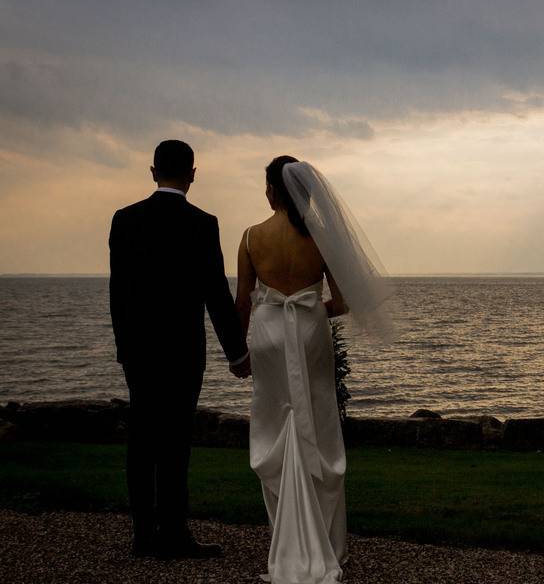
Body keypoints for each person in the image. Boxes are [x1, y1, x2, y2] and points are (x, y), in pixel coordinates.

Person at [235, 156, 392, 583]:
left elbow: (242, 304)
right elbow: (342, 301)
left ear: (273, 189)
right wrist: (309, 311)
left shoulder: (250, 237)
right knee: (318, 422)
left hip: (267, 337)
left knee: (273, 424)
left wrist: (241, 353)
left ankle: (283, 537)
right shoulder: (321, 239)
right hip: (309, 332)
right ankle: (327, 543)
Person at [109, 139, 251, 559]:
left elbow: (119, 293)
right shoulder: (203, 224)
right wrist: (237, 353)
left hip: (138, 351)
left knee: (141, 440)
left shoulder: (125, 220)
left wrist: (123, 347)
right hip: (184, 352)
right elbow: (216, 295)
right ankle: (174, 533)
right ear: (192, 174)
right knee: (175, 443)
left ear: (153, 172)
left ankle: (142, 535)